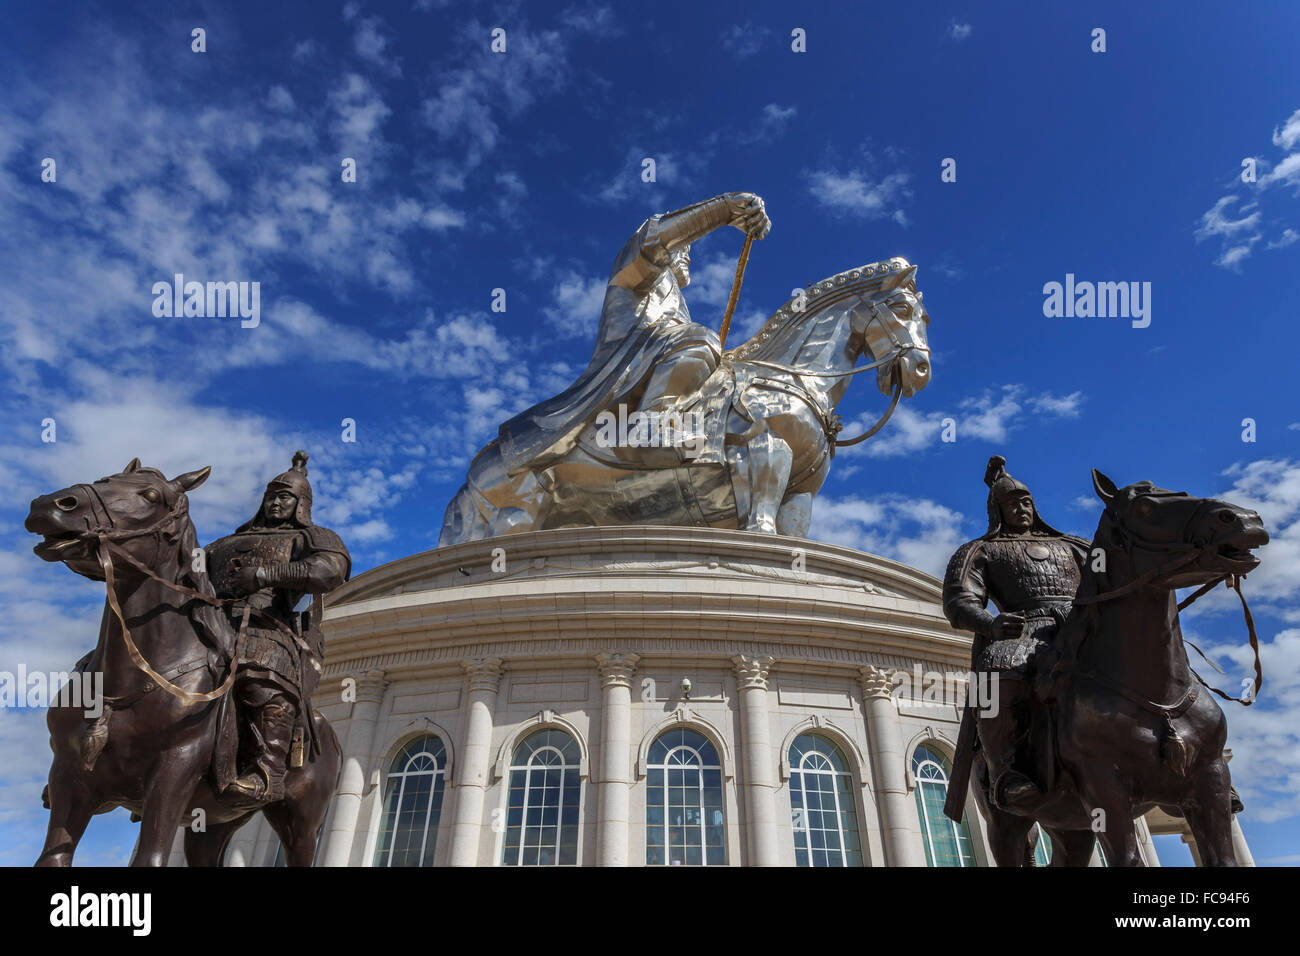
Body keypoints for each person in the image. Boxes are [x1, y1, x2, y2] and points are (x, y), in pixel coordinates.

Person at [497, 192, 770, 476]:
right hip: (625, 370)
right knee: (700, 339)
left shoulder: (677, 303)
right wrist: (725, 210)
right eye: (683, 247)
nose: (687, 257)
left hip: (655, 367)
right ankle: (648, 427)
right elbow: (657, 238)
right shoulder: (634, 266)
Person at [942, 456, 1089, 813]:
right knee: (992, 673)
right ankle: (1005, 770)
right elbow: (959, 600)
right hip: (1025, 628)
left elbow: (1115, 579)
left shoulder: (1075, 545)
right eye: (1011, 504)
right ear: (997, 510)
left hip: (1083, 625)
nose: (1021, 508)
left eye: (1026, 502)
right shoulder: (981, 550)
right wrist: (990, 624)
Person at [206, 452, 350, 802]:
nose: (275, 503)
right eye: (271, 496)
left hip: (267, 626)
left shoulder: (311, 537)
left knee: (259, 669)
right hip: (211, 620)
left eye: (284, 497)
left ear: (300, 503)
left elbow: (330, 571)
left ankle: (267, 769)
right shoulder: (223, 543)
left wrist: (266, 574)